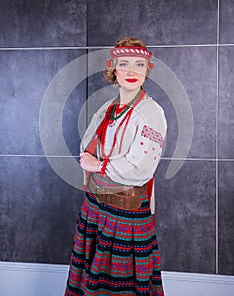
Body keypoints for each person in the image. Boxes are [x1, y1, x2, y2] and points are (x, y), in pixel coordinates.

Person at [64, 36, 167, 296]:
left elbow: (141, 166)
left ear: (147, 71)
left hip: (126, 210)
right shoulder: (108, 108)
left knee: (120, 285)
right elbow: (87, 146)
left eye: (139, 65)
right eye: (125, 64)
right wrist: (91, 163)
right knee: (93, 280)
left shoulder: (151, 112)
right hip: (96, 206)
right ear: (113, 69)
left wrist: (98, 166)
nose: (132, 71)